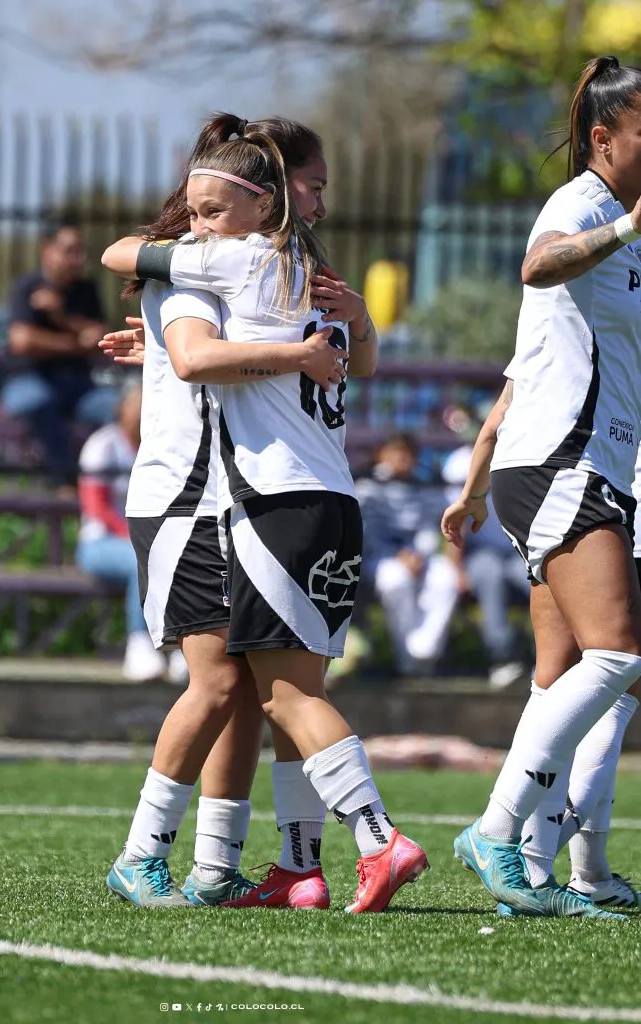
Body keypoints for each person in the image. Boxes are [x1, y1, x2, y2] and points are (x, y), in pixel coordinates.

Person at [104, 116, 428, 914]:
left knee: (252, 691)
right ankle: (250, 863)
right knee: (243, 689)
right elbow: (193, 356)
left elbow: (189, 345)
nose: (317, 203)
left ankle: (207, 859)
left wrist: (180, 343)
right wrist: (340, 330)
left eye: (213, 207)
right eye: (310, 186)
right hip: (220, 498)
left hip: (254, 496)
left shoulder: (237, 265)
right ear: (276, 189)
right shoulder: (278, 268)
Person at [444, 56, 641, 919]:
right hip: (563, 458)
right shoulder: (584, 205)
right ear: (605, 139)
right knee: (618, 656)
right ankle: (496, 831)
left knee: (569, 668)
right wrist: (630, 225)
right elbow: (537, 265)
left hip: (586, 458)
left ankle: (538, 858)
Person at [1, 218, 115, 488]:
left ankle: (110, 487)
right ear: (47, 251)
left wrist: (60, 316)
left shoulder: (86, 289)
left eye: (79, 251)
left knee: (120, 410)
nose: (77, 258)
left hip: (79, 386)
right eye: (69, 250)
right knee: (35, 402)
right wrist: (76, 342)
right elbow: (22, 341)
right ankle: (65, 481)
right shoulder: (27, 286)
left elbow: (100, 336)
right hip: (28, 379)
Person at [76, 384, 169, 682]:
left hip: (150, 540)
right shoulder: (103, 444)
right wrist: (138, 538)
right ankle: (139, 644)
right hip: (100, 542)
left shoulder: (162, 445)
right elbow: (96, 507)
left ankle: (178, 649)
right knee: (139, 561)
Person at [359, 433, 460, 675]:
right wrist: (396, 555)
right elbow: (367, 533)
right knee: (396, 581)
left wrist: (418, 555)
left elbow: (428, 527)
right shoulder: (367, 487)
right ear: (380, 455)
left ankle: (424, 652)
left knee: (446, 579)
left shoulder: (422, 486)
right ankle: (407, 659)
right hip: (381, 559)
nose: (402, 458)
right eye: (395, 452)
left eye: (407, 453)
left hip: (419, 558)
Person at [442, 443, 532, 689]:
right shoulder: (460, 462)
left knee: (536, 579)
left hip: (517, 553)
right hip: (479, 554)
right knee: (490, 572)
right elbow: (455, 522)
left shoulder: (520, 450)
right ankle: (502, 657)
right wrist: (457, 569)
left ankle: (546, 659)